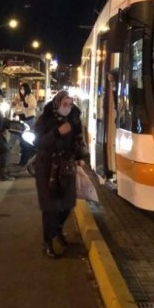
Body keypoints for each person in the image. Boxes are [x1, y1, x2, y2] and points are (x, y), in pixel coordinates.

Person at [34, 90, 90, 259]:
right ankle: (48, 242)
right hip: (47, 168)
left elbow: (78, 140)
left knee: (67, 204)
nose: (67, 107)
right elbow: (39, 143)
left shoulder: (73, 119)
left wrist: (80, 157)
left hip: (66, 167)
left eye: (70, 104)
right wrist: (57, 133)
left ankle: (57, 230)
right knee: (50, 207)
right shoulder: (45, 120)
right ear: (57, 103)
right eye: (64, 104)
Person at [16, 82, 38, 166]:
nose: (21, 90)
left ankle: (27, 158)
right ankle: (24, 156)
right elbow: (17, 107)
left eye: (23, 88)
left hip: (29, 120)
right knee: (22, 140)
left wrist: (24, 103)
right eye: (20, 88)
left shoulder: (30, 97)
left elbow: (32, 106)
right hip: (22, 120)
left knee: (26, 140)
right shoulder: (19, 97)